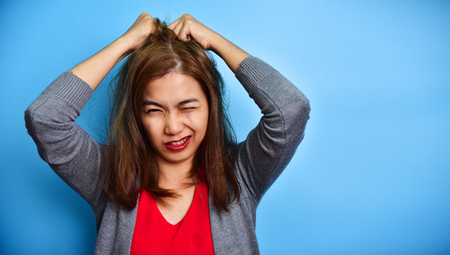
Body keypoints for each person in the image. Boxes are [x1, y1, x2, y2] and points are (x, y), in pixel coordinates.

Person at [25, 12, 310, 255]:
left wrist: (215, 42)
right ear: (136, 114)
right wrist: (125, 44)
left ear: (211, 106)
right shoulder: (110, 176)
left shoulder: (241, 173)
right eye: (154, 110)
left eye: (188, 107)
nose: (173, 127)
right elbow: (45, 117)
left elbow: (291, 109)